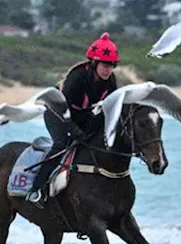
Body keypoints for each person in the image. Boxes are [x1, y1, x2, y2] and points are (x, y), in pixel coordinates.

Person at [26, 33, 120, 206]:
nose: (108, 69)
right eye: (105, 65)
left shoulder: (110, 81)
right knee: (61, 143)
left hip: (81, 114)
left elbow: (111, 108)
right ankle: (36, 190)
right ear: (94, 63)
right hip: (57, 113)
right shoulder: (77, 78)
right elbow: (64, 112)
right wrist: (75, 131)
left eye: (112, 65)